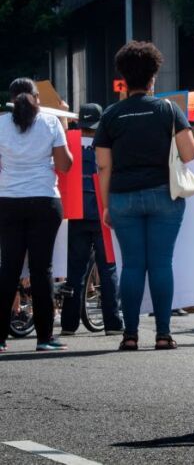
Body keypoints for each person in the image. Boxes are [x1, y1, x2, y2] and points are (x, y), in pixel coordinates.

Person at [94, 42, 194, 351]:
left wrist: (106, 205)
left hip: (123, 197)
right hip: (164, 195)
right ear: (153, 77)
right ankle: (163, 334)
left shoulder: (111, 116)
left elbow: (102, 165)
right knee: (161, 263)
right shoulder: (168, 110)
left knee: (132, 266)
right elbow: (189, 152)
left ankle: (130, 334)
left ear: (123, 79)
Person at [0, 78, 73, 352]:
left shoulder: (0, 124)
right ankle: (44, 338)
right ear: (36, 99)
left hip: (7, 200)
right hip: (44, 199)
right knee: (42, 269)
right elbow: (65, 165)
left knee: (8, 268)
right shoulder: (51, 123)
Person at [60, 103, 124, 336]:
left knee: (74, 270)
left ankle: (68, 324)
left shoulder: (69, 144)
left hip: (75, 214)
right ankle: (113, 323)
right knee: (108, 268)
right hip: (102, 214)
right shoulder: (106, 147)